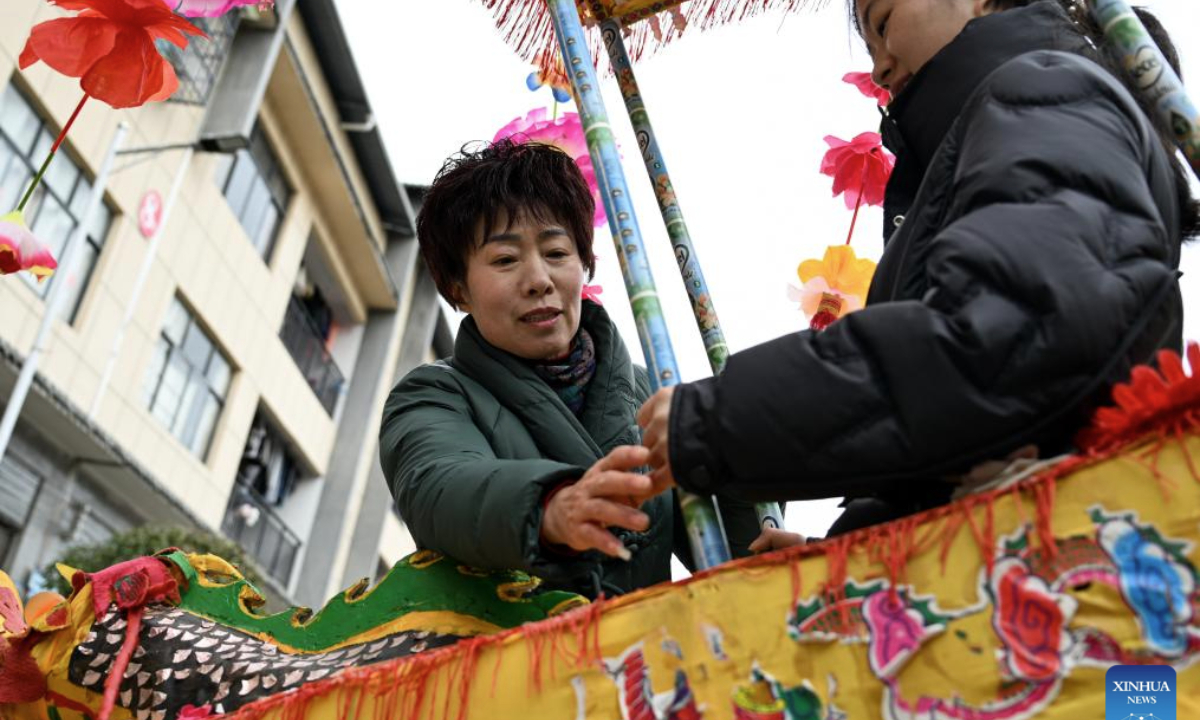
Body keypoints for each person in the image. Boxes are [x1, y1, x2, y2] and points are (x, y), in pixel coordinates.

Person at [638, 0, 1197, 538]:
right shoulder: (1011, 120)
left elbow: (1007, 345)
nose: (879, 66)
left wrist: (717, 420)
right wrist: (849, 546)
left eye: (882, 22)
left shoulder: (1043, 90)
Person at [379, 140, 759, 598]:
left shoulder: (652, 390)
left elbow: (723, 557)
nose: (539, 279)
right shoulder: (433, 395)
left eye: (556, 253)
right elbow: (439, 488)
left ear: (585, 264)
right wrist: (550, 508)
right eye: (504, 260)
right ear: (458, 289)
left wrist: (740, 474)